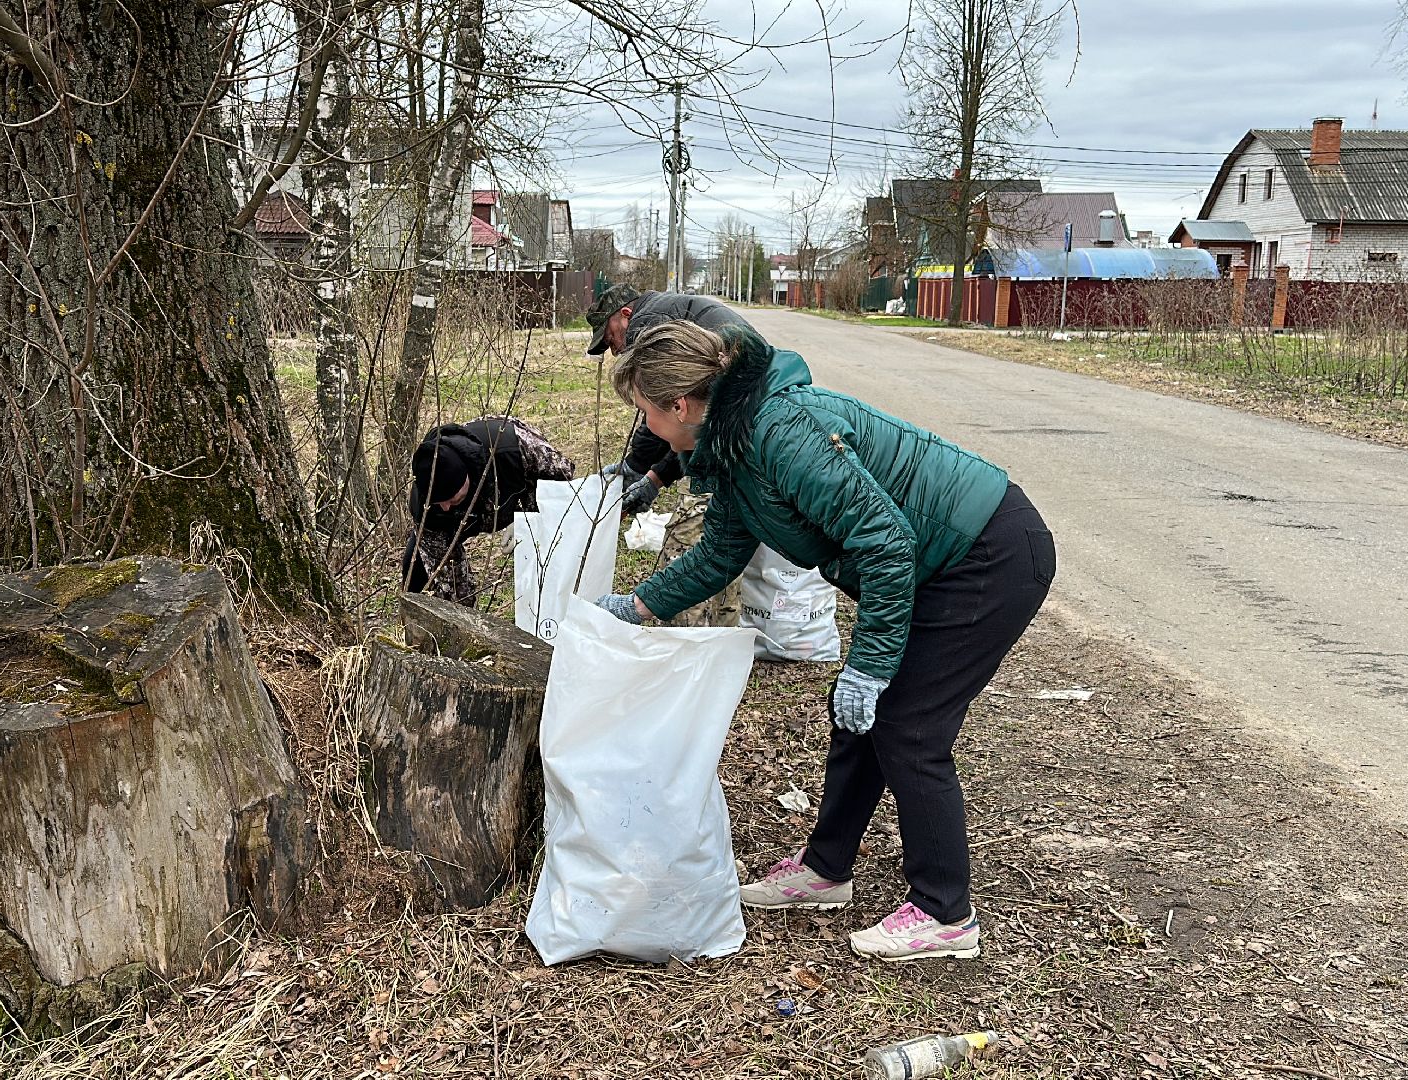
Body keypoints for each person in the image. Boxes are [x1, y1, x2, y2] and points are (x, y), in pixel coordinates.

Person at [593, 320, 1056, 963]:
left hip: (987, 551)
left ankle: (945, 912)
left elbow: (885, 543)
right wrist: (635, 606)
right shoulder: (730, 442)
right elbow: (721, 551)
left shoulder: (781, 434)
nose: (646, 427)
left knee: (908, 726)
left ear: (680, 405)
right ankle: (826, 870)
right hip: (934, 558)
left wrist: (871, 665)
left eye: (645, 411)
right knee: (857, 715)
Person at [583, 284, 760, 514]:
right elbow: (686, 426)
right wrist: (655, 478)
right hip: (748, 396)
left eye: (611, 338)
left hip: (741, 404)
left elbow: (664, 413)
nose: (614, 351)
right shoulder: (660, 309)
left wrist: (635, 465)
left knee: (714, 511)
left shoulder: (645, 326)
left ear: (626, 314)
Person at [403, 415, 573, 603]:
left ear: (465, 477)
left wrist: (531, 521)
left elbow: (564, 485)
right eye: (438, 502)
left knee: (549, 552)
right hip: (460, 522)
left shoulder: (513, 448)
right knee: (416, 567)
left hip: (519, 491)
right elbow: (451, 582)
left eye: (451, 498)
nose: (445, 507)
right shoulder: (426, 508)